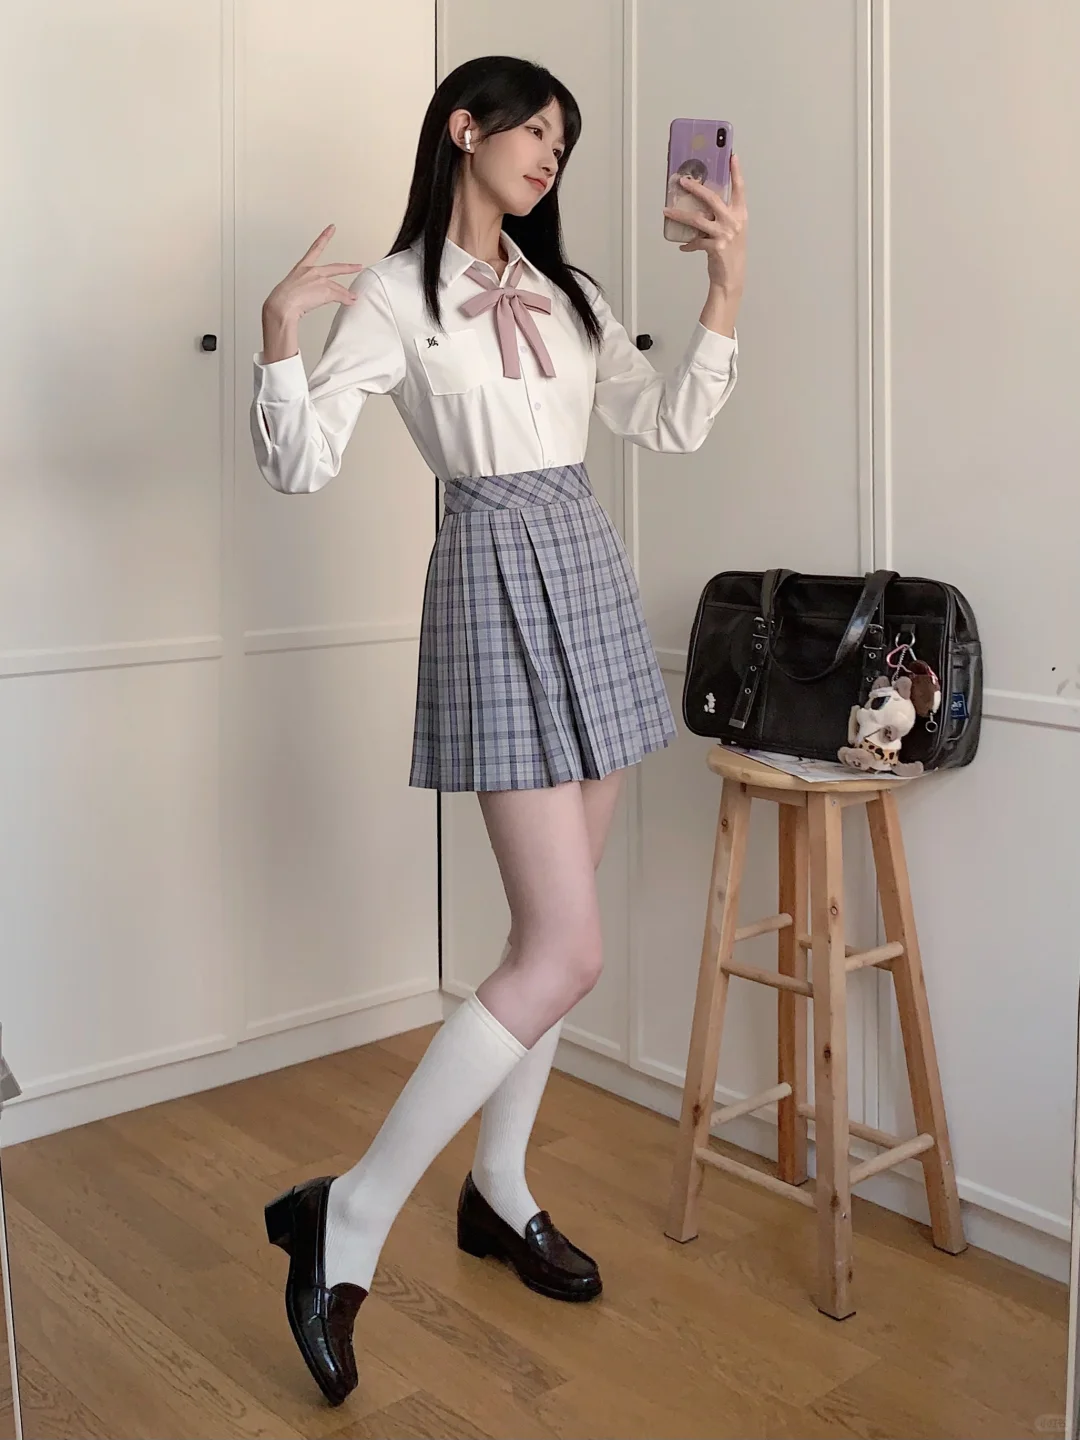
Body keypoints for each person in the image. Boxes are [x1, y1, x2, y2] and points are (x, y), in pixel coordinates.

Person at [250, 53, 747, 1407]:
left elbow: (668, 423)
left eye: (562, 145)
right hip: (488, 578)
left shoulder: (570, 292)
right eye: (535, 131)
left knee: (549, 948)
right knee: (565, 949)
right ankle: (347, 1217)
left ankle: (499, 1187)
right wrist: (280, 333)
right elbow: (300, 464)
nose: (549, 157)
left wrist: (723, 284)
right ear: (464, 128)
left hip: (586, 571)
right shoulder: (395, 296)